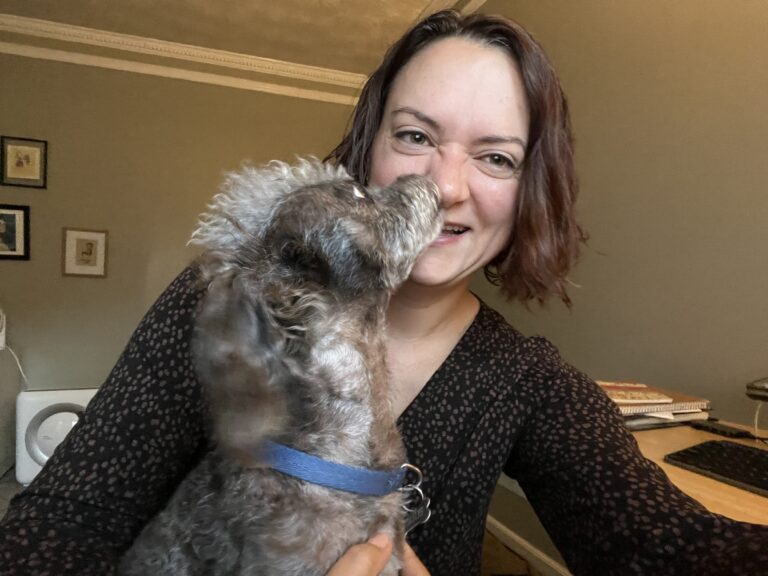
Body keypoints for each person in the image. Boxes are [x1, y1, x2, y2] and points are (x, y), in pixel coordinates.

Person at [1, 9, 766, 576]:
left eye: (496, 157)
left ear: (529, 190)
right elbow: (63, 524)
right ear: (367, 147)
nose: (444, 186)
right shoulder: (225, 298)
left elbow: (672, 551)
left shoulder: (528, 383)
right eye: (415, 136)